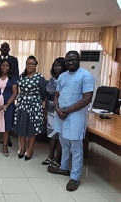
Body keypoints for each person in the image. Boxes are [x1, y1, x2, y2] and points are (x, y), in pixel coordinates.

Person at [48, 51, 95, 192]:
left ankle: (75, 177)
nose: (70, 63)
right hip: (60, 114)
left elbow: (87, 99)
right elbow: (56, 94)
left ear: (79, 60)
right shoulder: (62, 76)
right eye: (68, 60)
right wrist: (57, 109)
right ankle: (63, 168)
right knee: (64, 143)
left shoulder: (86, 76)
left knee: (76, 148)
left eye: (73, 60)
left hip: (75, 116)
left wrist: (67, 111)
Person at [14, 55, 47, 161]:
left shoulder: (40, 78)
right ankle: (22, 149)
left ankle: (30, 150)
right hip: (22, 104)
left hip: (34, 105)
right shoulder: (22, 76)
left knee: (32, 128)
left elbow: (43, 93)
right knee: (22, 127)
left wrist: (35, 101)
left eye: (32, 63)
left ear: (36, 65)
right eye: (28, 63)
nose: (30, 65)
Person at [42, 57, 67, 167]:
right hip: (51, 110)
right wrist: (46, 110)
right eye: (55, 65)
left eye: (59, 65)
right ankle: (50, 156)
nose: (57, 67)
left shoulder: (66, 79)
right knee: (52, 134)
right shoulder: (52, 79)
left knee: (60, 135)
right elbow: (48, 96)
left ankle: (58, 158)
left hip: (61, 110)